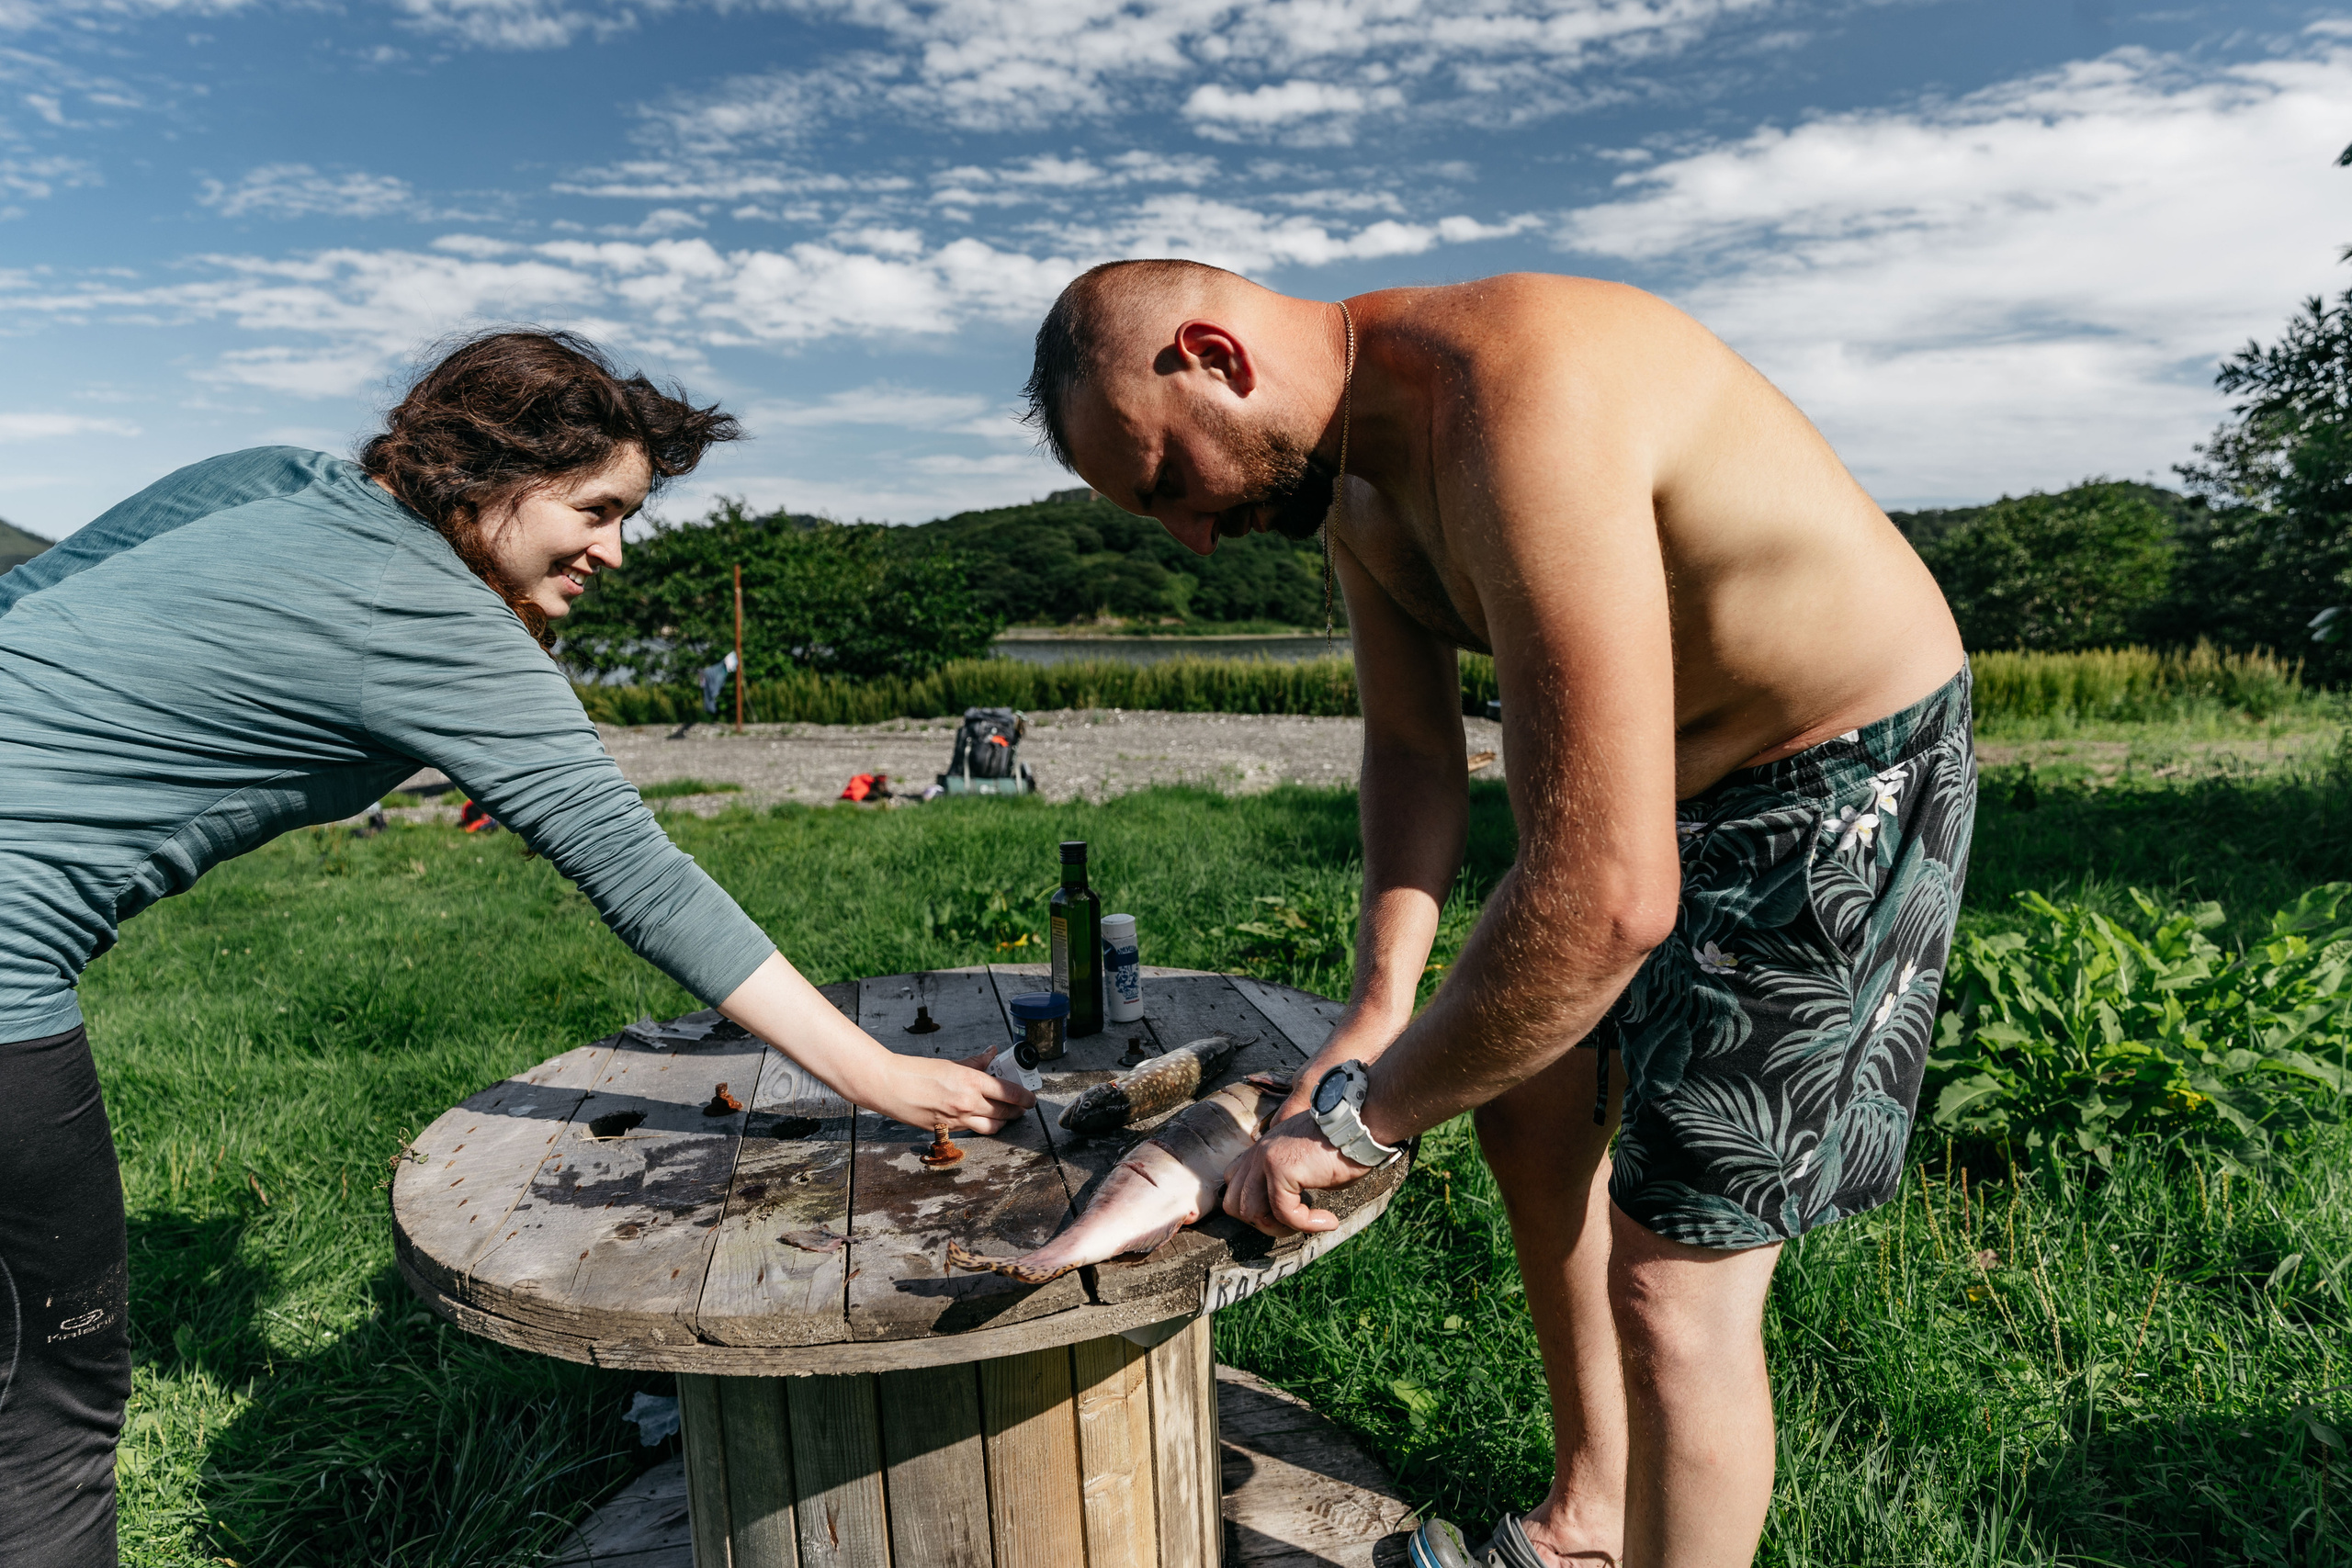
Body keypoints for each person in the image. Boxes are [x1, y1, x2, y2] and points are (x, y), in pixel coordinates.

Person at [0, 329, 1032, 1567]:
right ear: (486, 474)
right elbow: (644, 876)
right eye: (595, 510)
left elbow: (25, 604)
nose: (615, 550)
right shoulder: (434, 619)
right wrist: (881, 1075)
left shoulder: (270, 478)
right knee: (57, 1394)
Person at [1022, 262, 1974, 1568]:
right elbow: (1415, 752)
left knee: (1673, 1290)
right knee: (1529, 1107)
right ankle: (1589, 1519)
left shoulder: (1522, 394)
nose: (1189, 535)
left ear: (1211, 355)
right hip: (1655, 795)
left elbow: (1610, 898)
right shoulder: (1355, 485)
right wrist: (1378, 1006)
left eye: (1166, 480)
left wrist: (1363, 1121)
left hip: (1832, 776)